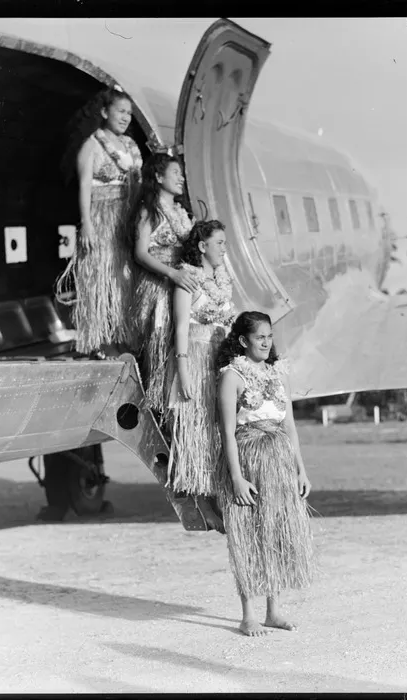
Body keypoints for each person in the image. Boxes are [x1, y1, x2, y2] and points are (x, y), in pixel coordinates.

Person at [216, 311, 313, 637]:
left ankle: (274, 611)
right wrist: (236, 477)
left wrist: (301, 470)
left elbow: (290, 427)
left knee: (277, 530)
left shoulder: (277, 374)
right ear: (244, 341)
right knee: (248, 534)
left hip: (280, 460)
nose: (266, 342)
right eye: (260, 337)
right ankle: (248, 615)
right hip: (249, 458)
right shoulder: (232, 376)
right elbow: (227, 432)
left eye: (269, 336)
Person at [57, 86, 143, 356]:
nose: (126, 117)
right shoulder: (92, 144)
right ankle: (99, 342)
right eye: (120, 111)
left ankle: (125, 337)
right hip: (101, 219)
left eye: (129, 113)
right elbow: (84, 187)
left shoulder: (131, 145)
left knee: (125, 282)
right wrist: (88, 224)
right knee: (102, 280)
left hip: (127, 222)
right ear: (105, 112)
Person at [165, 220, 236, 531]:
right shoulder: (187, 279)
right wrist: (182, 369)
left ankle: (218, 497)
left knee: (218, 428)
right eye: (219, 242)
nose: (224, 248)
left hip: (219, 359)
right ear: (203, 246)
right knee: (197, 430)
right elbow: (180, 325)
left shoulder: (223, 279)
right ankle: (203, 504)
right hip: (195, 357)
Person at [131, 154, 199, 415]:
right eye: (175, 173)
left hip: (183, 286)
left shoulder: (181, 211)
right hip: (160, 287)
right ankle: (161, 412)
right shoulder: (149, 210)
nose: (181, 178)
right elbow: (141, 253)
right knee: (162, 347)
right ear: (158, 177)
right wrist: (172, 274)